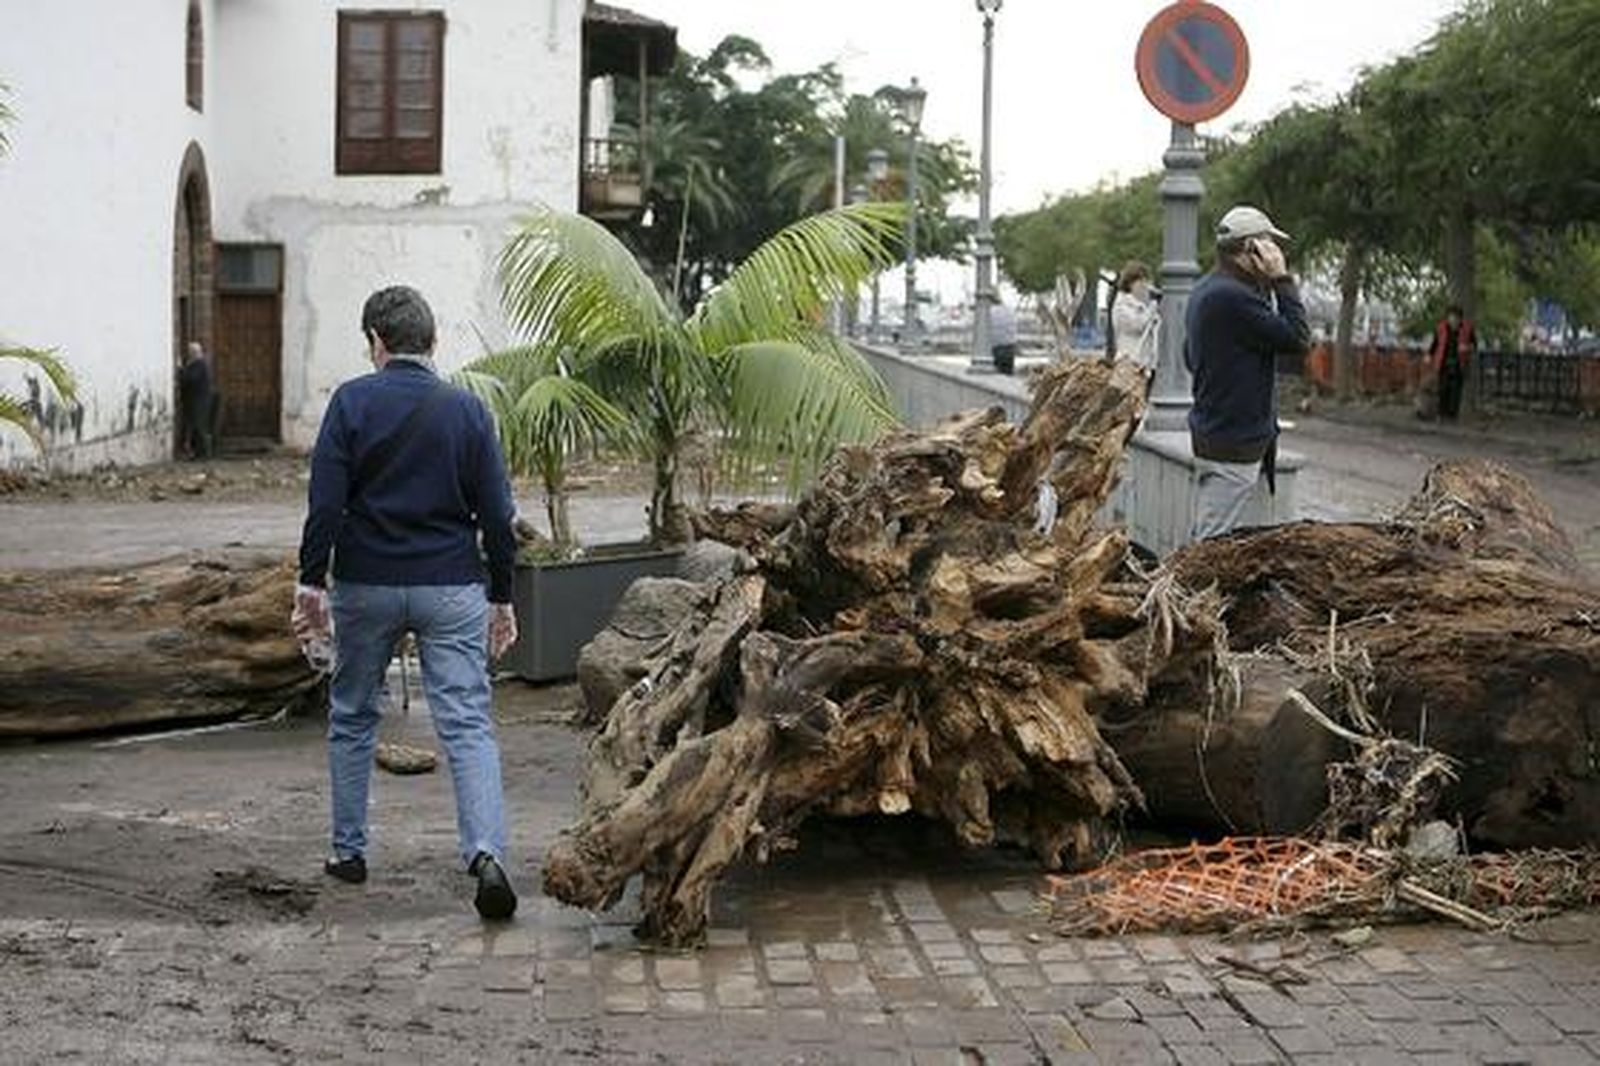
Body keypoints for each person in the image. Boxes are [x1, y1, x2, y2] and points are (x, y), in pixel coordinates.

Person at [291, 285, 522, 921]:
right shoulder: (469, 411)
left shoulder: (351, 403)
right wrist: (501, 594)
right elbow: (499, 520)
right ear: (433, 342)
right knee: (468, 721)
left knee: (353, 714)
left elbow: (326, 508)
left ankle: (348, 852)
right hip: (451, 587)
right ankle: (486, 855)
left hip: (365, 585)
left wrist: (311, 585)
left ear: (376, 342)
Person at [1185, 206, 1311, 540]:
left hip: (1220, 438)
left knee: (1222, 541)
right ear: (1251, 249)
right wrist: (1281, 279)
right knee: (1208, 547)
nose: (1276, 254)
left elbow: (1189, 357)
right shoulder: (1233, 298)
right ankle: (1180, 593)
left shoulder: (1207, 290)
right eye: (1270, 246)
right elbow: (1298, 339)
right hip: (1233, 447)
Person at [1110, 261, 1159, 371]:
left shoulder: (1144, 305)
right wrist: (1152, 307)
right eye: (1140, 282)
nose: (1144, 286)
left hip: (1147, 364)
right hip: (1129, 363)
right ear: (1130, 283)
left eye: (1146, 281)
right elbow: (1138, 325)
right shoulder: (1121, 305)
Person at [1429, 304, 1474, 421]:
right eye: (1450, 317)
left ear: (1460, 319)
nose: (1453, 320)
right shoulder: (1441, 328)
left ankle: (1452, 415)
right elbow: (1435, 344)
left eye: (1455, 318)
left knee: (1456, 391)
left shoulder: (1467, 329)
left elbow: (1474, 344)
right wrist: (1429, 355)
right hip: (1443, 363)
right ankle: (1441, 413)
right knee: (1443, 389)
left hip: (1459, 364)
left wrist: (1466, 347)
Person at [178, 341, 215, 460]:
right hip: (195, 401)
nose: (189, 354)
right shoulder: (196, 364)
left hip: (199, 401)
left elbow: (191, 379)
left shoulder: (199, 364)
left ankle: (204, 453)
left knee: (200, 427)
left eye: (191, 352)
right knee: (195, 427)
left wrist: (181, 371)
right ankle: (196, 452)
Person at [989, 297, 1019, 375]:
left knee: (997, 372)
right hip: (1009, 346)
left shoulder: (989, 312)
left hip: (995, 346)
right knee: (1008, 371)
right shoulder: (1009, 310)